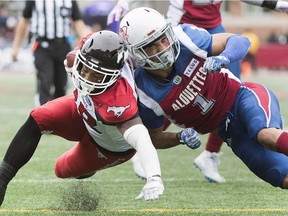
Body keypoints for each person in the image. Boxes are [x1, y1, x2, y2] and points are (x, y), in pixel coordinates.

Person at [0, 30, 196, 205]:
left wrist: (154, 177)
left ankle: (88, 170)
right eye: (84, 69)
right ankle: (2, 179)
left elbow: (142, 140)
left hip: (106, 146)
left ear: (113, 76)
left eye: (96, 76)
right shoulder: (94, 44)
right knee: (39, 116)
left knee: (61, 169)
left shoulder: (119, 100)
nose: (87, 77)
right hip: (81, 111)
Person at [108, 0, 288, 183]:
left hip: (242, 98)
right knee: (281, 176)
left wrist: (224, 58)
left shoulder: (185, 39)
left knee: (265, 134)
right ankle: (210, 155)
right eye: (151, 46)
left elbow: (240, 40)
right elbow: (155, 136)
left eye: (163, 39)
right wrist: (179, 137)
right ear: (136, 53)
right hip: (227, 130)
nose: (162, 48)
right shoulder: (144, 91)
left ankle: (211, 154)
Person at [11, 0, 91, 106]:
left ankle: (57, 114)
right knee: (45, 80)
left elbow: (78, 22)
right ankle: (42, 115)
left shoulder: (69, 1)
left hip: (63, 45)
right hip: (41, 45)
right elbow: (24, 20)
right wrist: (15, 46)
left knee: (61, 85)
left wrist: (89, 45)